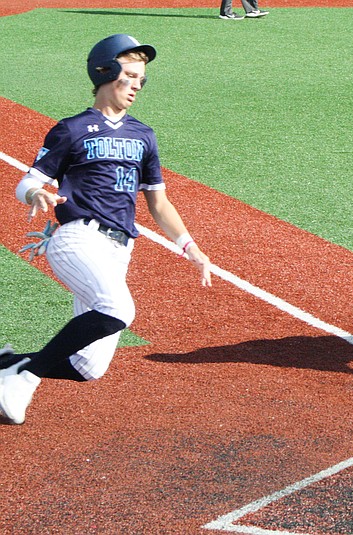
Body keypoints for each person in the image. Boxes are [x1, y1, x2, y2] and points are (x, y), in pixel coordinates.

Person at [0, 34, 212, 425]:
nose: (136, 85)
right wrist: (36, 196)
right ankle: (23, 378)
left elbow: (158, 203)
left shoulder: (143, 135)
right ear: (105, 72)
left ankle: (9, 365)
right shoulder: (72, 129)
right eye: (129, 76)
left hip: (118, 252)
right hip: (76, 239)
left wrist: (190, 246)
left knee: (88, 367)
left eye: (141, 79)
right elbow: (26, 182)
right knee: (118, 309)